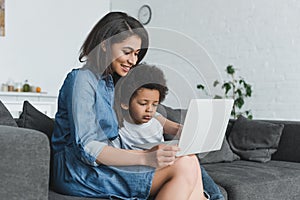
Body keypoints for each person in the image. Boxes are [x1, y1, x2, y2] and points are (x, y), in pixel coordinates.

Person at [51, 12, 208, 200]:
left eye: (136, 54)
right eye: (127, 52)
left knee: (188, 159)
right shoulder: (81, 80)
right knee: (183, 165)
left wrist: (175, 128)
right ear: (104, 45)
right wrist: (145, 157)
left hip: (108, 162)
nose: (133, 61)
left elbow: (143, 108)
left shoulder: (111, 83)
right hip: (78, 171)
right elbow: (88, 147)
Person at [115, 63, 224, 200]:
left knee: (190, 157)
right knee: (186, 162)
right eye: (143, 104)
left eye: (155, 104)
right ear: (124, 103)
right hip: (145, 169)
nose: (150, 109)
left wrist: (190, 133)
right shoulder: (119, 126)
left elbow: (173, 127)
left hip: (165, 163)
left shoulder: (154, 117)